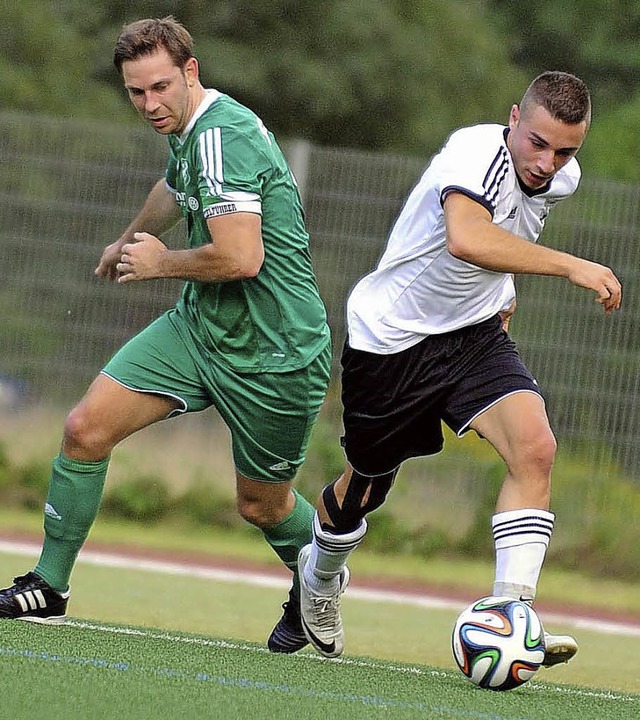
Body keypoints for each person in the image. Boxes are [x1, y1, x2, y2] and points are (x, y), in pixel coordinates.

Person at [0, 16, 331, 654]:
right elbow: (175, 189)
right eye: (136, 92)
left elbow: (242, 258)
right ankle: (49, 584)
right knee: (84, 429)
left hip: (276, 353)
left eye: (160, 88)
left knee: (262, 505)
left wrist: (161, 263)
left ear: (191, 72)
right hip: (201, 328)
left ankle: (320, 580)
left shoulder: (222, 137)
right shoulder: (188, 129)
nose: (150, 104)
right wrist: (126, 241)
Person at [296, 71, 622, 662]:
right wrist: (571, 266)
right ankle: (318, 577)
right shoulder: (475, 153)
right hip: (393, 341)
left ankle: (510, 614)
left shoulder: (559, 178)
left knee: (535, 448)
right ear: (513, 119)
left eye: (566, 150)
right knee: (367, 483)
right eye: (538, 143)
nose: (549, 163)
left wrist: (505, 294)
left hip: (475, 336)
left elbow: (510, 235)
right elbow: (467, 239)